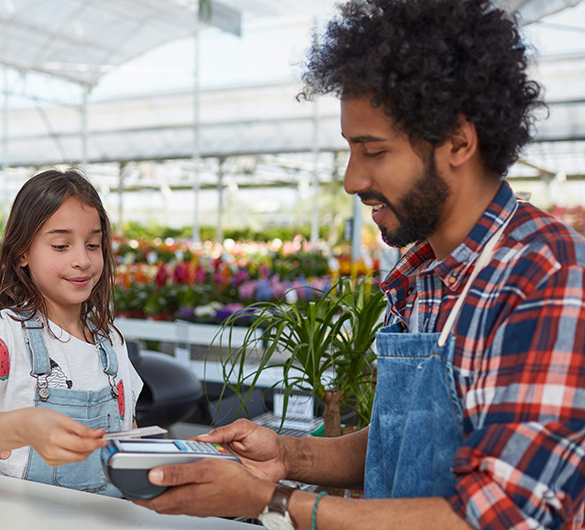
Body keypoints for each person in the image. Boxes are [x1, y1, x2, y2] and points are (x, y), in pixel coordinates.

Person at [135, 1, 585, 528]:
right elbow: (408, 437)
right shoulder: (424, 275)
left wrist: (275, 503)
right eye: (351, 149)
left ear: (459, 141)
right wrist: (287, 456)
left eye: (373, 151)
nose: (352, 180)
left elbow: (500, 516)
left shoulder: (546, 277)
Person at [0, 168, 143, 497]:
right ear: (22, 253)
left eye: (93, 244)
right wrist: (25, 426)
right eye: (61, 246)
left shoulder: (111, 343)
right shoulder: (6, 333)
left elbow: (128, 438)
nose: (82, 260)